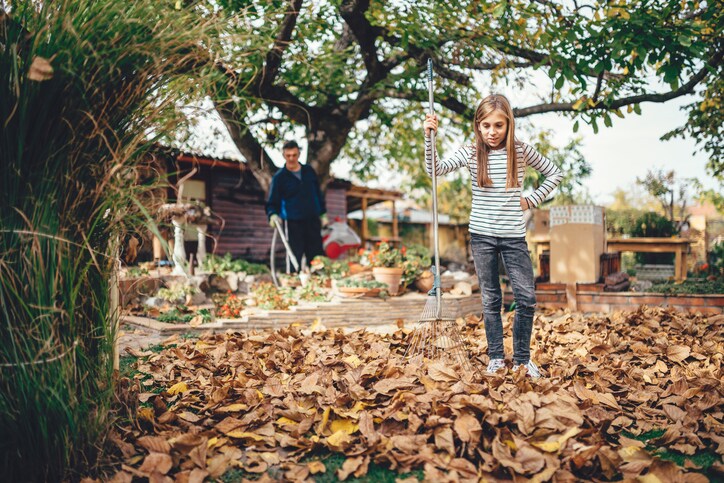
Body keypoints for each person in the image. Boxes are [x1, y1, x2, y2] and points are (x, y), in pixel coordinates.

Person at [423, 94, 562, 378]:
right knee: (490, 299)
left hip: (513, 236)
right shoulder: (472, 152)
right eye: (486, 125)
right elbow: (434, 170)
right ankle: (496, 357)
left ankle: (522, 359)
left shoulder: (521, 151)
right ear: (478, 126)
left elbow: (555, 173)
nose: (492, 132)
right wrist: (429, 138)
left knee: (526, 297)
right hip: (482, 235)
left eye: (498, 125)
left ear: (509, 124)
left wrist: (530, 200)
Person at [266, 140, 328, 272]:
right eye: (288, 155)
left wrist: (323, 213)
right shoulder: (280, 177)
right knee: (294, 255)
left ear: (299, 154)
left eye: (294, 155)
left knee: (316, 254)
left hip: (312, 219)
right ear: (283, 155)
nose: (291, 158)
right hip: (293, 222)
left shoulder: (309, 171)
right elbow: (272, 200)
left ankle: (319, 284)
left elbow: (318, 193)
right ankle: (294, 285)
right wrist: (272, 214)